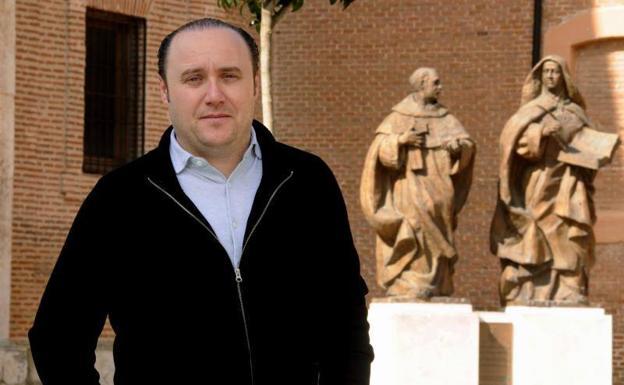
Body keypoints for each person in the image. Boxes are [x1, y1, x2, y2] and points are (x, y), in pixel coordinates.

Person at [28, 18, 373, 385]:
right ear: (165, 91)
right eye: (193, 78)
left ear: (254, 83)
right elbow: (57, 338)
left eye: (229, 75)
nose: (214, 95)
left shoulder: (306, 180)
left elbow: (346, 322)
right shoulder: (119, 198)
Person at [490, 55, 618, 305]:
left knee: (570, 232)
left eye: (555, 72)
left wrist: (598, 149)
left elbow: (585, 139)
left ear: (563, 77)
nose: (550, 76)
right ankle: (530, 286)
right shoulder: (532, 110)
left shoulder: (575, 111)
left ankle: (568, 289)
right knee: (537, 229)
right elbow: (515, 144)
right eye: (546, 72)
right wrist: (539, 133)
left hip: (569, 181)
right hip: (539, 180)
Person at [360, 68, 475, 298]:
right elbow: (380, 149)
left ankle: (438, 283)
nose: (440, 87)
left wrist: (458, 147)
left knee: (438, 221)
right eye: (436, 83)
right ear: (422, 85)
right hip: (408, 184)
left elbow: (467, 144)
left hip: (440, 183)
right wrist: (401, 140)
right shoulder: (399, 116)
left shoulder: (446, 117)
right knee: (414, 223)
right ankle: (409, 280)